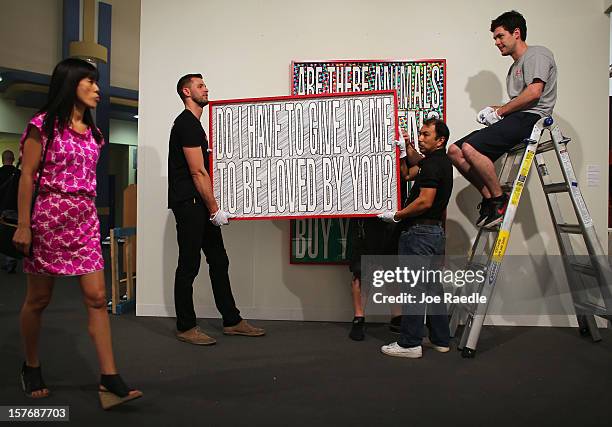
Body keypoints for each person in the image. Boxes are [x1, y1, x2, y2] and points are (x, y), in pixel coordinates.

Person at [12, 58, 142, 409]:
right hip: (49, 215)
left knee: (98, 297)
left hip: (85, 218)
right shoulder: (43, 126)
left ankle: (109, 377)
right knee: (38, 300)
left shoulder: (95, 135)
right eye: (90, 82)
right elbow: (27, 176)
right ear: (71, 84)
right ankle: (31, 365)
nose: (98, 89)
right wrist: (24, 224)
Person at [168, 73, 265, 345]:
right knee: (188, 266)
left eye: (205, 85)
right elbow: (198, 171)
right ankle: (186, 327)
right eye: (200, 86)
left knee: (219, 261)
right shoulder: (186, 124)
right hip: (191, 205)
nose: (206, 89)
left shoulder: (196, 125)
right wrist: (214, 210)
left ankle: (232, 321)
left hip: (200, 205)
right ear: (187, 92)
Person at [448, 10, 557, 228]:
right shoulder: (513, 68)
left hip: (534, 117)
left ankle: (499, 201)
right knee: (455, 150)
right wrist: (494, 110)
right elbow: (520, 100)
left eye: (500, 36)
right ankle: (490, 199)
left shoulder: (537, 54)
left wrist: (500, 112)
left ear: (516, 33)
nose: (497, 42)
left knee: (470, 148)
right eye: (495, 38)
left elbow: (534, 93)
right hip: (519, 116)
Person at [378, 118, 453, 358]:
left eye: (425, 135)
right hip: (434, 233)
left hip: (419, 233)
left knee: (414, 289)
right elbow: (412, 169)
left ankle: (410, 344)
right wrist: (406, 147)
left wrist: (397, 216)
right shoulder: (440, 162)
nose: (421, 138)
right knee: (433, 289)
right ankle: (441, 339)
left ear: (440, 140)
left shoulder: (432, 165)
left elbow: (425, 201)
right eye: (419, 134)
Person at [347, 218, 402, 341]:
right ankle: (358, 318)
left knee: (393, 272)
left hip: (391, 225)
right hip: (363, 224)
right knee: (361, 273)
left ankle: (397, 317)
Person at [0, 149, 19, 273]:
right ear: (13, 159)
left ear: (2, 159)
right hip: (14, 208)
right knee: (11, 235)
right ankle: (10, 264)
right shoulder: (20, 174)